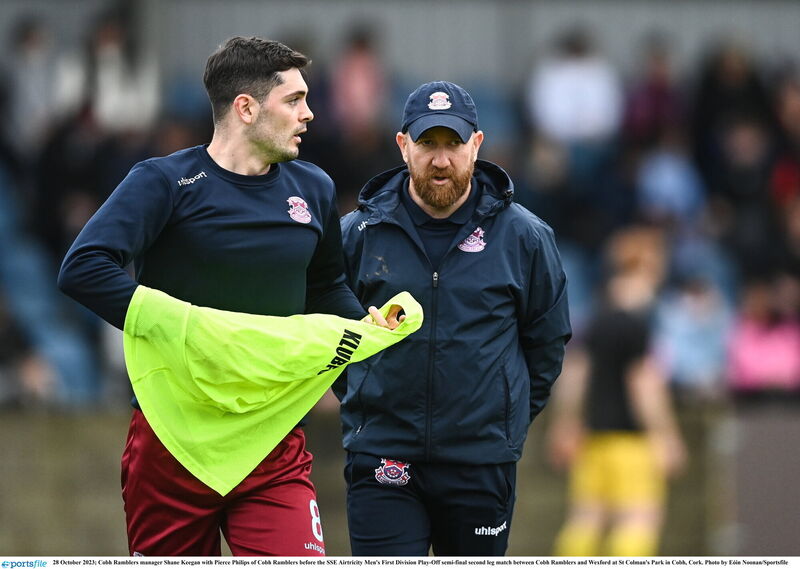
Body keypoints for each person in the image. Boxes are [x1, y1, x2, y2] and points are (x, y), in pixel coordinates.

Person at [57, 36, 398, 557]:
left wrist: (366, 343)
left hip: (273, 436)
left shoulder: (315, 188)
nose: (309, 114)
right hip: (173, 438)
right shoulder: (163, 181)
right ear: (245, 108)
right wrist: (182, 326)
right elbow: (83, 268)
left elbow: (325, 287)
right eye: (294, 100)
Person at [336, 81, 572, 556]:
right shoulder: (357, 234)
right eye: (427, 143)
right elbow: (328, 333)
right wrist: (366, 399)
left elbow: (546, 345)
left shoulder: (525, 237)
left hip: (480, 463)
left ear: (476, 145)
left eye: (453, 144)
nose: (441, 160)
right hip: (383, 456)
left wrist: (502, 421)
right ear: (403, 146)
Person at [546, 228, 687, 556]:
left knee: (586, 519)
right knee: (639, 520)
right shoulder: (639, 321)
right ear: (650, 265)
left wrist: (565, 423)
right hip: (632, 442)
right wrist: (664, 434)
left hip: (593, 440)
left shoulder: (595, 316)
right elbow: (643, 383)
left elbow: (574, 373)